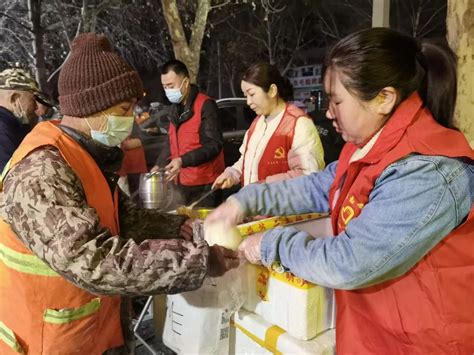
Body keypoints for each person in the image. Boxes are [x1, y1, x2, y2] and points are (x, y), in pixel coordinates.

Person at [206, 28, 474, 354]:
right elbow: (320, 185)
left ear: (384, 99)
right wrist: (244, 200)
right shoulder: (366, 147)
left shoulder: (427, 172)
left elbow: (349, 262)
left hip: (421, 342)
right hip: (374, 331)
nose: (329, 112)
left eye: (336, 101)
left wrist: (269, 244)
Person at [0, 33, 239, 355]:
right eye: (124, 108)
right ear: (92, 106)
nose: (129, 119)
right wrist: (197, 261)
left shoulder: (81, 153)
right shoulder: (43, 170)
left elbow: (123, 215)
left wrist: (181, 228)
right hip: (48, 339)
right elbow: (93, 260)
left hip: (89, 331)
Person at [212, 63, 324, 190]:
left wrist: (264, 186)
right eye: (245, 96)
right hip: (255, 207)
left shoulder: (298, 124)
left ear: (272, 90)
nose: (248, 102)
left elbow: (308, 176)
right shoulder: (257, 123)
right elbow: (246, 160)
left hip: (283, 208)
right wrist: (232, 173)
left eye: (252, 94)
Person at [152, 59, 224, 207]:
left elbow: (213, 145)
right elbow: (171, 142)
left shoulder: (206, 105)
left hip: (205, 184)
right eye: (165, 87)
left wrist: (182, 160)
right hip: (181, 182)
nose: (168, 91)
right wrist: (159, 165)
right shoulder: (174, 109)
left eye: (171, 86)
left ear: (185, 82)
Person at [0, 68, 39, 172]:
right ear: (14, 99)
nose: (36, 107)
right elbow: (10, 177)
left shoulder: (12, 125)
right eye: (33, 100)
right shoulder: (3, 131)